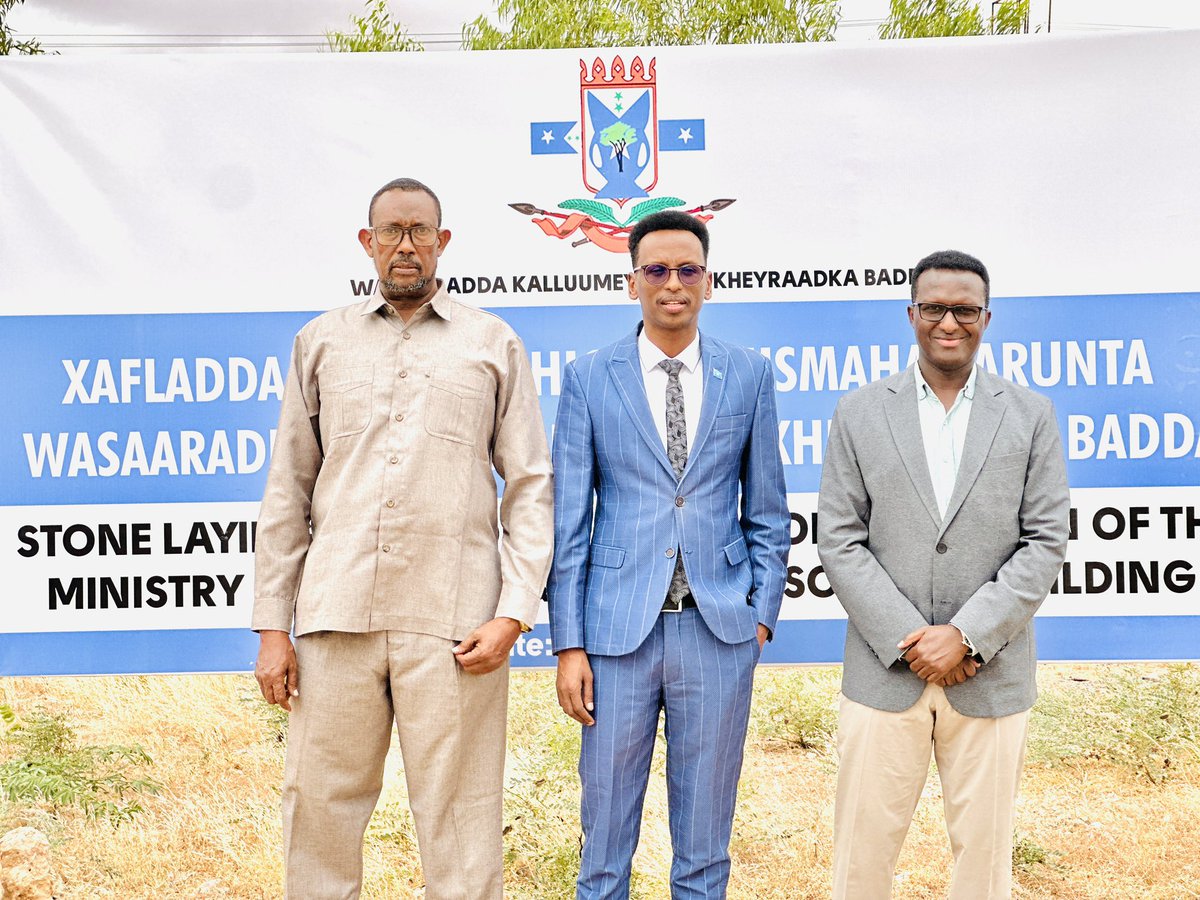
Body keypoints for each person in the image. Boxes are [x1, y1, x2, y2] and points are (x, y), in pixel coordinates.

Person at [251, 177, 553, 899]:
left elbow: (531, 484)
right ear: (368, 242)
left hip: (454, 626)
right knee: (319, 810)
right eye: (392, 231)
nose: (406, 245)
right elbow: (288, 487)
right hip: (336, 616)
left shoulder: (492, 343)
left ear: (442, 243)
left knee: (461, 820)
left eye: (421, 231)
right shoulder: (321, 342)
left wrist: (513, 611)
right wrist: (272, 626)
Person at [548, 210, 790, 899]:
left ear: (707, 282)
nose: (672, 284)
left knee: (706, 851)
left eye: (687, 270)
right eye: (657, 270)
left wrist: (759, 616)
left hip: (716, 633)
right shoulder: (590, 376)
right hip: (616, 639)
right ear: (633, 283)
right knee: (603, 849)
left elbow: (768, 510)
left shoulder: (748, 374)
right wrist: (570, 644)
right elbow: (570, 522)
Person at [817, 249, 1071, 899]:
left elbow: (1044, 541)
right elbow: (840, 540)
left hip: (991, 675)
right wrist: (913, 637)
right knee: (860, 863)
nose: (948, 322)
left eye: (964, 309)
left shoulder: (1031, 414)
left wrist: (968, 634)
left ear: (987, 317)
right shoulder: (859, 412)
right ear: (911, 315)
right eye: (934, 308)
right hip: (885, 673)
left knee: (985, 870)